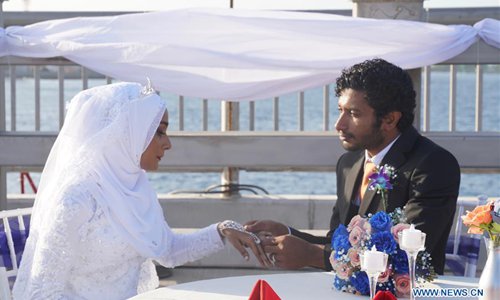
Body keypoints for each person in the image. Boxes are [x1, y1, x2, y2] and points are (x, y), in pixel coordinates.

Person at [13, 82, 270, 299]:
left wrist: (221, 231)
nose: (168, 144)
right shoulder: (76, 199)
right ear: (125, 133)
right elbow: (42, 292)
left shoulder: (135, 188)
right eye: (159, 132)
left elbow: (168, 250)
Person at [245, 58, 460, 275]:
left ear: (390, 120)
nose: (339, 124)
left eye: (354, 114)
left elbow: (407, 254)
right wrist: (287, 233)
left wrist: (312, 255)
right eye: (340, 110)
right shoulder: (348, 164)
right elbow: (339, 243)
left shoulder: (434, 165)